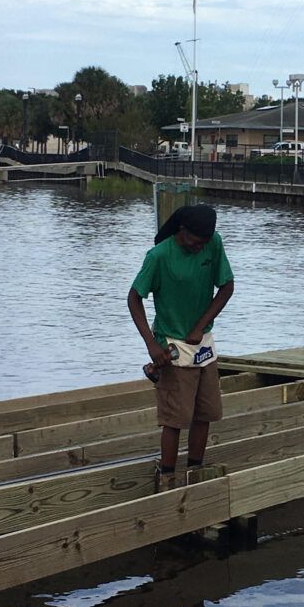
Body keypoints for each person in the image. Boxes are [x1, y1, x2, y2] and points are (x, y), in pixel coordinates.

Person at [127, 203, 234, 491]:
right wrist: (151, 345)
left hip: (202, 345)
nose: (199, 247)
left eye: (203, 243)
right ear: (181, 231)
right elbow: (134, 299)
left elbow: (227, 287)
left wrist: (201, 326)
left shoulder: (213, 244)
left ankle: (196, 471)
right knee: (175, 418)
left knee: (205, 412)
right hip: (171, 342)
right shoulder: (159, 256)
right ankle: (168, 477)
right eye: (193, 241)